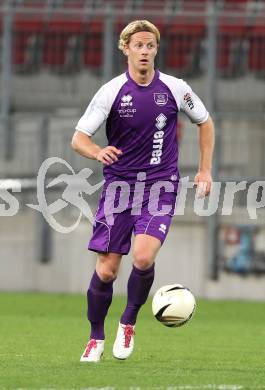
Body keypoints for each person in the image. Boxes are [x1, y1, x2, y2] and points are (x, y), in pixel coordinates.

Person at [71, 20, 215, 362]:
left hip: (160, 187)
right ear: (126, 49)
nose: (145, 51)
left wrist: (205, 169)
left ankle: (128, 322)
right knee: (106, 271)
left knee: (143, 257)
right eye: (139, 45)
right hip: (119, 190)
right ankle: (95, 337)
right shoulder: (111, 92)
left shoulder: (176, 89)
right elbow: (78, 138)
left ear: (156, 49)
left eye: (150, 45)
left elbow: (205, 122)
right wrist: (96, 152)